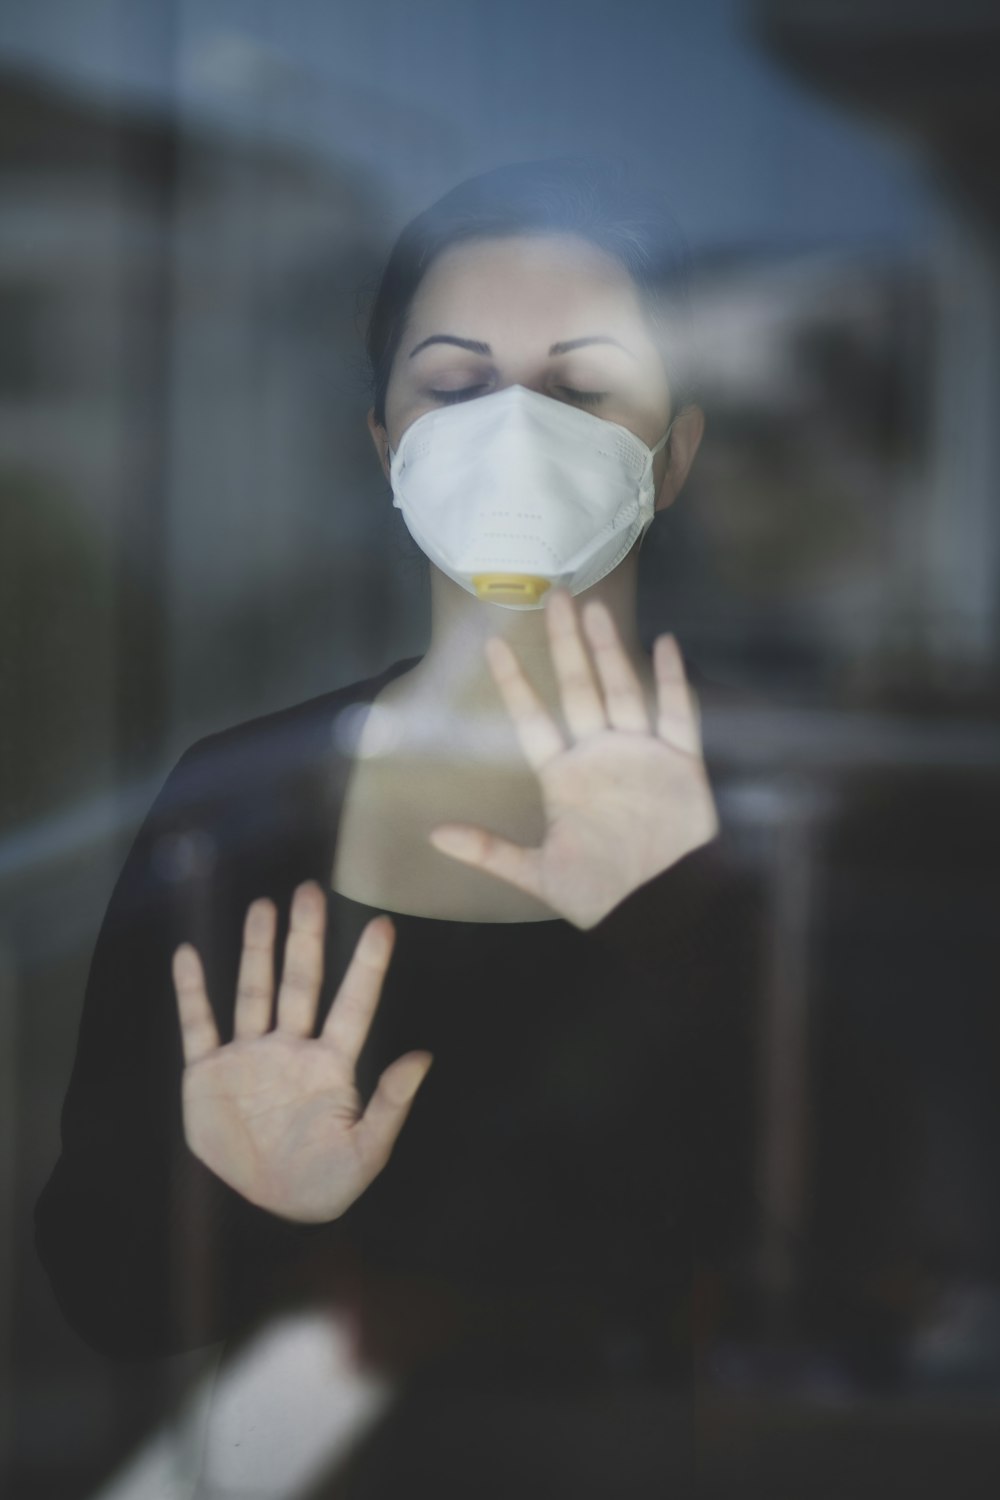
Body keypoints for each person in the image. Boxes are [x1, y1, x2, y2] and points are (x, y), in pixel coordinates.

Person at [36, 160, 764, 1496]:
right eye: (456, 381)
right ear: (386, 441)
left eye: (584, 385)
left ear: (676, 455)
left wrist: (673, 928)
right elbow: (104, 1296)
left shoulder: (783, 815)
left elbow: (864, 1294)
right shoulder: (236, 809)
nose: (516, 428)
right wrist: (234, 1194)